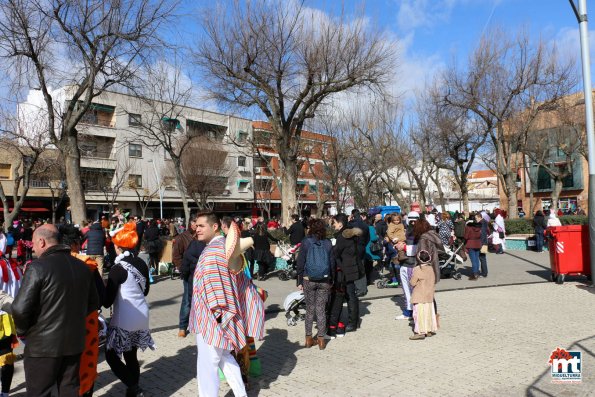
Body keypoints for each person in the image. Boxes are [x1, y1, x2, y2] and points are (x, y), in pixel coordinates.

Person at [12, 224, 100, 397]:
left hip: (42, 347)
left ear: (42, 242)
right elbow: (93, 304)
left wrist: (24, 331)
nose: (34, 249)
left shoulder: (38, 267)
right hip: (74, 343)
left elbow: (20, 309)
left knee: (40, 392)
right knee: (69, 390)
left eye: (34, 244)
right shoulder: (83, 267)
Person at [188, 212, 247, 397]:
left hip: (211, 318)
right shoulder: (221, 247)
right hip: (218, 316)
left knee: (208, 365)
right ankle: (241, 394)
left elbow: (215, 289)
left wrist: (219, 319)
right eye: (196, 226)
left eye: (201, 226)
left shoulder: (213, 251)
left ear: (215, 227)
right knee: (225, 358)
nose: (197, 229)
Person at [104, 222, 153, 397]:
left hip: (124, 317)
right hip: (141, 315)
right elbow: (146, 290)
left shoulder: (117, 269)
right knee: (131, 354)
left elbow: (107, 301)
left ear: (118, 247)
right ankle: (133, 390)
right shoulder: (141, 262)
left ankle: (134, 387)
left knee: (110, 355)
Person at [59, 224, 106, 397]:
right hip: (86, 323)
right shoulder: (88, 265)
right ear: (76, 244)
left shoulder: (46, 264)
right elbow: (102, 297)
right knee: (86, 365)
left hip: (57, 327)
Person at [296, 218, 335, 350]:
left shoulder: (306, 242)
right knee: (321, 310)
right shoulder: (328, 243)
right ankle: (321, 340)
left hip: (308, 279)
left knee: (310, 310)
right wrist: (332, 279)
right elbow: (332, 263)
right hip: (324, 280)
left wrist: (299, 280)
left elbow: (300, 262)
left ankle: (308, 339)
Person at [328, 214, 361, 337]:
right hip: (351, 267)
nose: (333, 225)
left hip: (346, 269)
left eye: (334, 223)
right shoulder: (351, 234)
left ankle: (353, 322)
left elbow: (336, 253)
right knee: (351, 295)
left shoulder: (343, 236)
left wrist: (332, 248)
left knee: (349, 295)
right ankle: (354, 321)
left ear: (340, 223)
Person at [0, 233, 22, 397]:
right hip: (10, 316)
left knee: (5, 355)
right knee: (6, 355)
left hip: (4, 316)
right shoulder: (12, 264)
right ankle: (5, 392)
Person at [172, 214, 198, 338]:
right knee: (187, 300)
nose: (197, 226)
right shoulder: (182, 238)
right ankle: (182, 326)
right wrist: (183, 269)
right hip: (189, 273)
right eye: (195, 222)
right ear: (190, 223)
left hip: (201, 273)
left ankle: (198, 324)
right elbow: (176, 256)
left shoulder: (201, 237)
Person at [409, 250, 438, 340]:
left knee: (419, 314)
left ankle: (420, 332)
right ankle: (428, 330)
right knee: (429, 313)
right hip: (429, 295)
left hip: (419, 295)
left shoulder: (417, 269)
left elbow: (412, 283)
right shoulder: (431, 268)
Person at [395, 211, 420, 320]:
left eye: (415, 219)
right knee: (406, 290)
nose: (413, 222)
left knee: (414, 290)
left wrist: (404, 247)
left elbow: (418, 249)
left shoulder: (420, 232)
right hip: (404, 263)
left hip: (413, 264)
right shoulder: (407, 230)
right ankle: (408, 312)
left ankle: (416, 313)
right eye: (411, 219)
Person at [464, 213, 488, 280]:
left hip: (481, 243)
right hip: (482, 243)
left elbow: (482, 234)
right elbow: (487, 232)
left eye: (476, 218)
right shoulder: (485, 222)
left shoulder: (481, 224)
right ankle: (483, 273)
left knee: (480, 258)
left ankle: (481, 273)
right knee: (480, 258)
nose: (476, 219)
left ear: (480, 217)